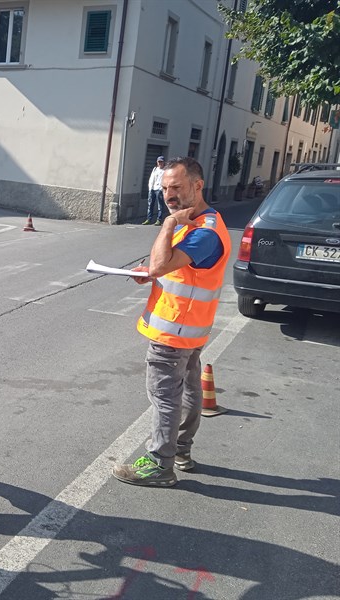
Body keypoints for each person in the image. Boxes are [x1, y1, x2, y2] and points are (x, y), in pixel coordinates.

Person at [113, 157, 231, 487]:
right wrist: (151, 272)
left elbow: (160, 265)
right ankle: (180, 450)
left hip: (174, 331)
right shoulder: (196, 222)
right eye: (165, 188)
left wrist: (166, 226)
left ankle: (159, 464)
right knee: (190, 389)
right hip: (190, 328)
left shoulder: (203, 232)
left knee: (165, 396)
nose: (168, 195)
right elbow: (169, 268)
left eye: (176, 187)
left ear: (198, 185)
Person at [142, 156, 166, 225]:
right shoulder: (155, 169)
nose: (160, 163)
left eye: (161, 162)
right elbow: (151, 179)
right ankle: (148, 219)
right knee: (150, 205)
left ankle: (159, 220)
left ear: (164, 162)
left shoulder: (165, 171)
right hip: (152, 189)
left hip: (159, 189)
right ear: (157, 162)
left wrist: (161, 188)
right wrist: (150, 188)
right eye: (159, 162)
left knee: (160, 205)